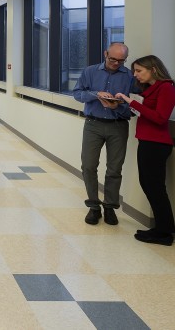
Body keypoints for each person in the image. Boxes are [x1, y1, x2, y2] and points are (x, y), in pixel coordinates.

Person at [116, 55, 175, 246]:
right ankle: (161, 228)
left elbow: (160, 118)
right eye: (134, 71)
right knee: (149, 185)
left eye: (139, 71)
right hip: (147, 141)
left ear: (153, 69)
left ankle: (165, 232)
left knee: (155, 187)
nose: (135, 75)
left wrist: (132, 102)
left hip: (157, 144)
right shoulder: (151, 89)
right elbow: (146, 113)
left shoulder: (166, 88)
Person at [73, 42, 134, 226]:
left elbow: (137, 102)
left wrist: (119, 105)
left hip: (118, 125)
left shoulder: (130, 76)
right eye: (112, 59)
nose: (115, 63)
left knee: (114, 169)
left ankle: (109, 207)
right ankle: (93, 206)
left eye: (120, 61)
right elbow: (77, 93)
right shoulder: (90, 71)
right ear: (105, 53)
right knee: (88, 166)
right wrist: (95, 94)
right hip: (93, 124)